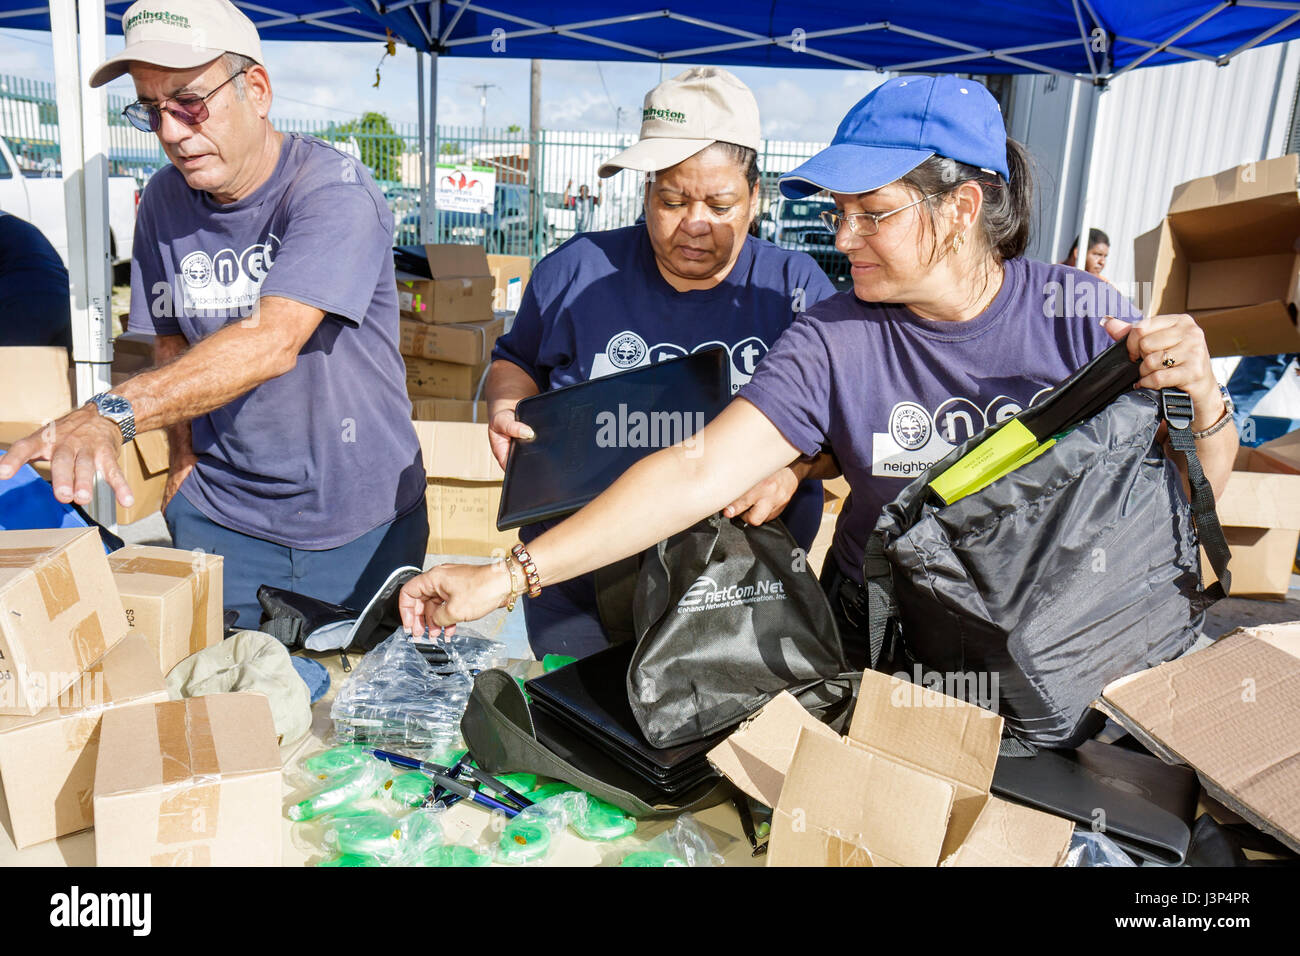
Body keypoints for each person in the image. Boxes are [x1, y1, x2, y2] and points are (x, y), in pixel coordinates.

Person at [401, 75, 1238, 669]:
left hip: (1061, 659)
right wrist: (507, 576)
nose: (841, 241)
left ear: (961, 210)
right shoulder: (835, 336)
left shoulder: (1084, 318)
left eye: (871, 214)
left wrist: (1202, 395)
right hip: (884, 657)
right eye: (839, 214)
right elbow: (694, 470)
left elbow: (1189, 500)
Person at [0, 0, 427, 629]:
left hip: (356, 522)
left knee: (357, 712)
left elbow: (271, 341)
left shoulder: (334, 191)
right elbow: (170, 338)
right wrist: (181, 464)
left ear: (256, 90)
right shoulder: (164, 202)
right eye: (151, 109)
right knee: (222, 705)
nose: (171, 131)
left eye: (189, 102)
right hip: (221, 515)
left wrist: (111, 413)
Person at [486, 66, 837, 658]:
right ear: (646, 189)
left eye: (720, 203)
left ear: (755, 198)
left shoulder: (794, 291)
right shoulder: (576, 269)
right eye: (672, 199)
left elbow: (840, 434)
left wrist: (795, 469)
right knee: (580, 734)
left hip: (736, 590)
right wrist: (505, 406)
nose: (693, 224)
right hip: (577, 582)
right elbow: (512, 359)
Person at [0, 212, 71, 350]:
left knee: (11, 368)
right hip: (64, 302)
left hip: (22, 304)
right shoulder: (15, 224)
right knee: (53, 370)